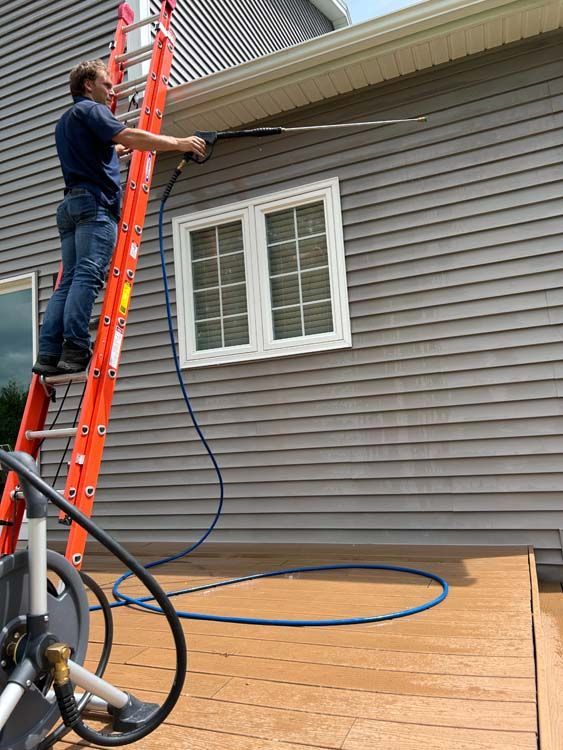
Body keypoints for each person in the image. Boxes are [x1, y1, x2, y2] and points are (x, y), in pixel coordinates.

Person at [32, 59, 206, 377]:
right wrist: (179, 143)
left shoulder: (65, 121)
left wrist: (113, 154)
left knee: (67, 281)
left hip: (70, 205)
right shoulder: (93, 110)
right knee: (86, 276)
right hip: (95, 206)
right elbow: (131, 136)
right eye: (106, 84)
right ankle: (75, 348)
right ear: (88, 85)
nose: (111, 91)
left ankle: (48, 354)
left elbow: (91, 154)